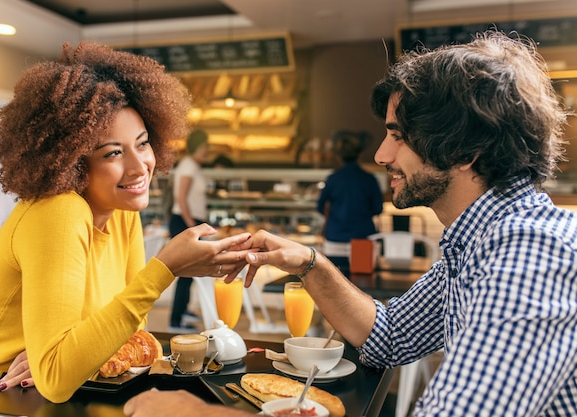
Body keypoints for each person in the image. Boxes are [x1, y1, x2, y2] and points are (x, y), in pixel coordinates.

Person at [125, 31, 577, 417]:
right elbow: (389, 337)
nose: (381, 155)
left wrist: (201, 412)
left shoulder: (530, 254)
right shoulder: (477, 243)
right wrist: (308, 263)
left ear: (463, 151)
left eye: (398, 136)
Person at [0, 42, 253, 416]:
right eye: (112, 153)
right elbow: (58, 379)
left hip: (59, 384)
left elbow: (132, 327)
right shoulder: (59, 213)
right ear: (72, 162)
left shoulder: (122, 206)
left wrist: (63, 352)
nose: (139, 166)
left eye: (142, 144)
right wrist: (165, 269)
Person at [317, 130, 383, 275]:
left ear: (339, 157)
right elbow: (378, 209)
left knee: (334, 282)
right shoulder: (369, 179)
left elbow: (320, 206)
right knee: (362, 283)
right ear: (360, 155)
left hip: (335, 239)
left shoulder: (333, 179)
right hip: (363, 239)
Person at [168, 129, 211, 332]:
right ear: (197, 147)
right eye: (205, 146)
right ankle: (176, 321)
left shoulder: (193, 166)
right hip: (185, 223)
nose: (208, 150)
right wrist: (192, 226)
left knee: (190, 273)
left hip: (190, 222)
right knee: (185, 272)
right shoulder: (188, 166)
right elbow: (182, 198)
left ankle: (183, 311)